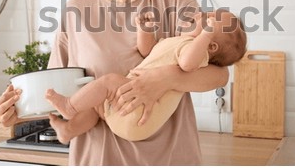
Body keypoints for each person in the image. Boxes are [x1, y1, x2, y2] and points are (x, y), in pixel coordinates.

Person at [0, 0, 229, 165]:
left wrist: (163, 79)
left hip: (170, 160)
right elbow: (54, 96)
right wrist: (13, 112)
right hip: (98, 161)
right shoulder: (77, 11)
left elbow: (219, 75)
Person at [45, 9, 247, 144]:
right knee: (97, 106)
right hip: (127, 109)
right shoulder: (179, 41)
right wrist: (145, 29)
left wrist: (205, 34)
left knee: (108, 81)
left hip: (139, 113)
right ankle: (68, 130)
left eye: (214, 20)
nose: (209, 14)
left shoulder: (196, 53)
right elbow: (148, 50)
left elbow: (187, 64)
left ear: (211, 46)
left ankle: (70, 106)